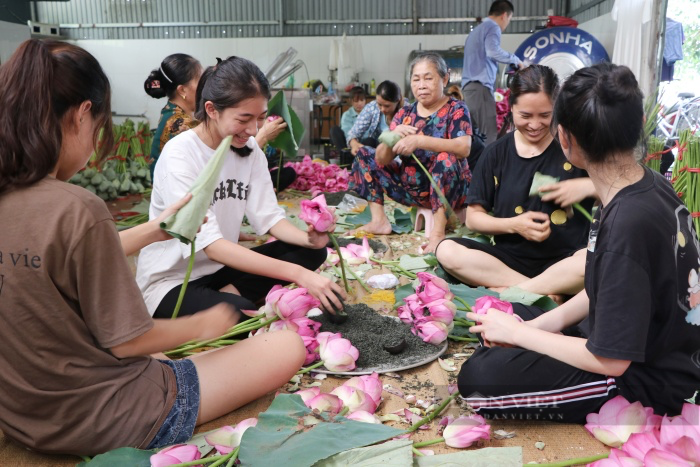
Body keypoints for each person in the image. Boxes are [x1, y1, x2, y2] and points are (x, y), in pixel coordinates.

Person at [0, 39, 305, 456]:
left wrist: (156, 229)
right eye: (99, 128)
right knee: (287, 345)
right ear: (82, 114)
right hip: (103, 414)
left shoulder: (23, 202)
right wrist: (203, 326)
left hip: (20, 414)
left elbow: (57, 256)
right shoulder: (81, 209)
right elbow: (125, 344)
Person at [458, 63, 700, 422]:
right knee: (507, 319)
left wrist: (520, 337)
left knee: (477, 382)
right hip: (623, 337)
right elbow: (601, 290)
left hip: (644, 378)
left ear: (565, 138)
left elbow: (612, 361)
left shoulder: (626, 222)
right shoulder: (642, 184)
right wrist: (525, 330)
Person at [137, 56, 346, 319]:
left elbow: (269, 218)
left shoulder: (248, 150)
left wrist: (308, 238)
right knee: (237, 314)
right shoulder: (180, 154)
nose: (253, 129)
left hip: (218, 269)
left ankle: (229, 294)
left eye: (260, 118)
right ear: (212, 110)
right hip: (172, 284)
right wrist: (299, 275)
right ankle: (230, 300)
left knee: (312, 252)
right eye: (244, 118)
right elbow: (210, 246)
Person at [436, 65, 595, 298]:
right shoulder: (496, 153)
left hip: (566, 260)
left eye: (545, 115)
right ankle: (543, 292)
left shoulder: (575, 147)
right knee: (447, 251)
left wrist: (586, 186)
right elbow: (473, 218)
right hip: (508, 263)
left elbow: (620, 189)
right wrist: (514, 224)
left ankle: (522, 292)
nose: (534, 124)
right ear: (511, 109)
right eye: (525, 116)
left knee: (589, 262)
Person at [349, 53, 473, 254]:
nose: (421, 85)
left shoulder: (456, 109)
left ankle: (437, 233)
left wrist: (420, 140)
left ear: (444, 78)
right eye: (416, 79)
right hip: (412, 190)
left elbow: (463, 147)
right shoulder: (405, 114)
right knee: (365, 153)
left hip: (449, 190)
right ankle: (379, 220)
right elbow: (381, 159)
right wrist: (391, 136)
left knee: (446, 158)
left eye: (428, 78)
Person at [146, 55, 296, 193]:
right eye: (200, 79)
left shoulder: (173, 114)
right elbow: (224, 168)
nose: (207, 86)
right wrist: (262, 137)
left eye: (260, 117)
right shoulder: (181, 128)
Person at [461, 0, 523, 145]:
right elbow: (493, 51)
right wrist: (516, 61)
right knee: (489, 135)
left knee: (477, 137)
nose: (507, 23)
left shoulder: (478, 30)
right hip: (480, 88)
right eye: (509, 19)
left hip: (471, 89)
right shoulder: (493, 27)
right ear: (504, 15)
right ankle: (489, 168)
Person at [145, 54, 203, 178]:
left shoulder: (170, 112)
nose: (205, 87)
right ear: (182, 90)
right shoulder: (181, 124)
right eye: (200, 81)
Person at [346, 80, 408, 156]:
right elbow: (353, 133)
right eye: (379, 104)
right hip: (377, 152)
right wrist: (354, 144)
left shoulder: (408, 111)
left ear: (397, 101)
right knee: (369, 142)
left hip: (399, 153)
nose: (382, 109)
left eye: (387, 106)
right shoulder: (372, 107)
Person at [329, 86, 368, 151]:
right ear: (351, 101)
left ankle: (364, 157)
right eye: (356, 101)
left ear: (365, 100)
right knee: (334, 130)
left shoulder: (369, 113)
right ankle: (345, 155)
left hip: (364, 144)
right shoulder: (347, 115)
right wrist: (354, 143)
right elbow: (347, 131)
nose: (359, 103)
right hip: (349, 144)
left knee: (370, 140)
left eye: (362, 100)